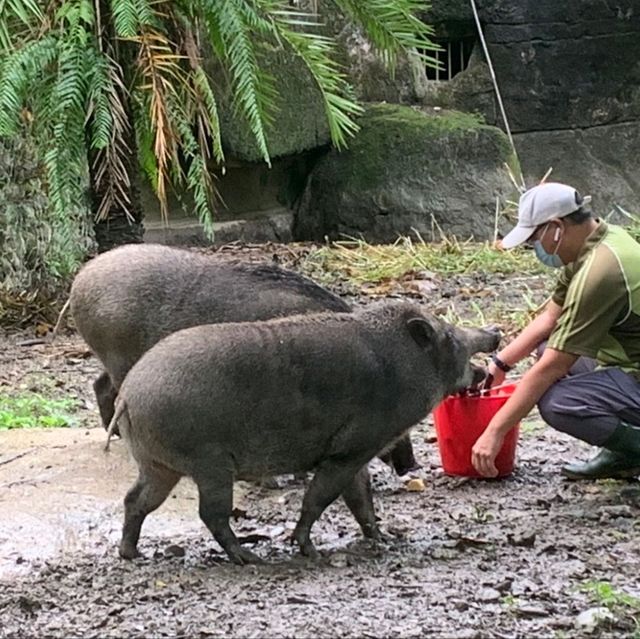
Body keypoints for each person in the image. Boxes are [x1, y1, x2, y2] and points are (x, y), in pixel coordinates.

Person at [471, 182, 640, 479]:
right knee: (545, 345)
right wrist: (499, 364)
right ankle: (626, 453)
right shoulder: (597, 242)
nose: (536, 248)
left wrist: (494, 430)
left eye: (535, 238)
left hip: (632, 368)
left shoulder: (601, 272)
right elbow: (550, 319)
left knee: (559, 403)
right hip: (625, 358)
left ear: (556, 228)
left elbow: (555, 364)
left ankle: (630, 450)